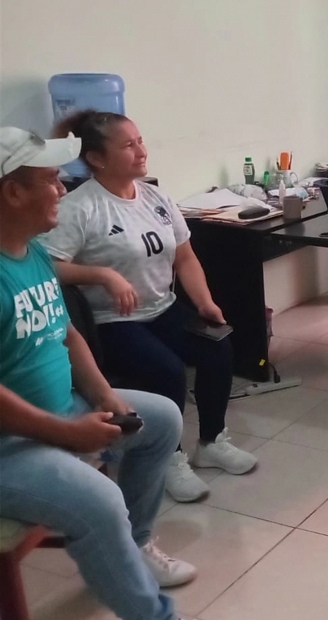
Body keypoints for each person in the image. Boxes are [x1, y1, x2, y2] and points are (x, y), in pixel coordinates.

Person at [0, 126, 197, 620]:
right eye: (51, 180)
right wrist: (67, 433)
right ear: (13, 192)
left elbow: (66, 334)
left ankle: (132, 547)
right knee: (100, 500)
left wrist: (105, 395)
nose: (62, 190)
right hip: (9, 445)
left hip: (59, 410)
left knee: (162, 419)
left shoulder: (33, 252)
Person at [40, 110, 257, 503]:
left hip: (163, 307)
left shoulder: (156, 197)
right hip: (113, 320)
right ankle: (169, 457)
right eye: (128, 145)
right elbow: (49, 265)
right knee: (166, 371)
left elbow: (185, 258)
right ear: (97, 158)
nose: (141, 151)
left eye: (140, 141)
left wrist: (205, 303)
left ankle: (211, 442)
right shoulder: (80, 207)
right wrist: (102, 275)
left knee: (217, 349)